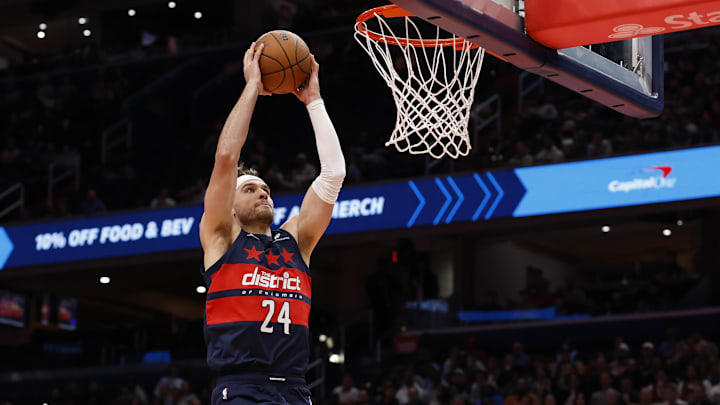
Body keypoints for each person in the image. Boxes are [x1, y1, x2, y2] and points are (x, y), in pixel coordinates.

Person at [198, 42, 345, 405]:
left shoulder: (296, 241)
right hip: (243, 387)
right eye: (249, 189)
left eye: (265, 189)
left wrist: (314, 102)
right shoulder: (221, 239)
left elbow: (334, 173)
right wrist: (252, 85)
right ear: (229, 207)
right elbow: (226, 156)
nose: (263, 193)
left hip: (296, 389)